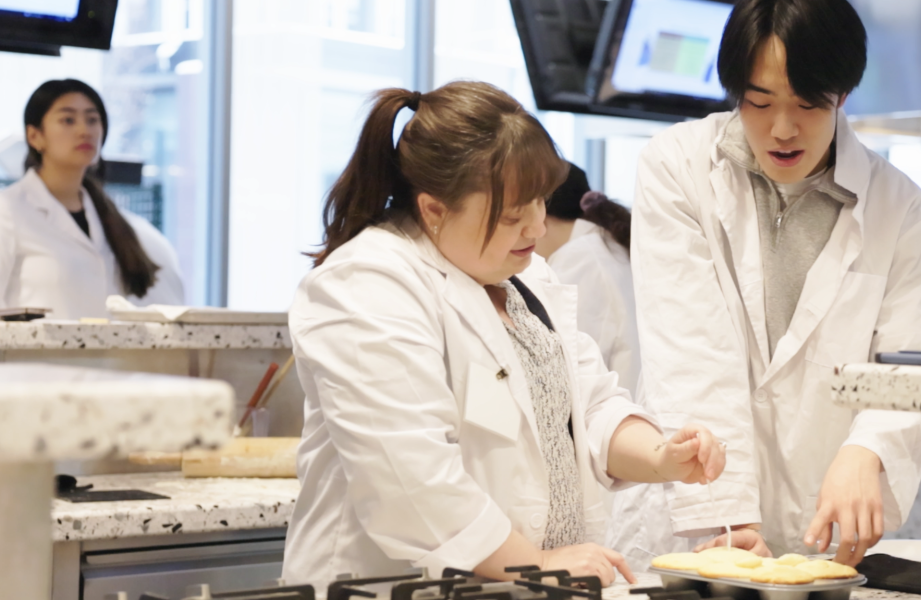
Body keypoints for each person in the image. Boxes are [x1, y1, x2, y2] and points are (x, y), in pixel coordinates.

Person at [281, 82, 727, 589]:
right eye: (513, 215)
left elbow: (589, 405)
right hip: (392, 586)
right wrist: (536, 565)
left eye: (539, 202)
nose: (537, 227)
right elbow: (411, 481)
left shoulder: (526, 277)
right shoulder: (366, 283)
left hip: (521, 584)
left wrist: (659, 454)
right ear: (433, 209)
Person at [607, 0, 921, 569]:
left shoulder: (901, 210)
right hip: (695, 525)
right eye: (759, 102)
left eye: (808, 105)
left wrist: (870, 447)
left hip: (816, 528)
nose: (783, 129)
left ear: (842, 95)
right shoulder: (678, 166)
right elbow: (691, 346)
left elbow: (917, 363)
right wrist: (728, 517)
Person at [0, 79, 184, 318]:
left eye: (92, 120)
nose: (84, 130)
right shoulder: (8, 211)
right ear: (35, 136)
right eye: (68, 120)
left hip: (104, 354)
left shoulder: (116, 221)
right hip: (32, 356)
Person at [535, 162, 640, 398]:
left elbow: (562, 363)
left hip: (609, 413)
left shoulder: (579, 258)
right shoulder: (604, 243)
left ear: (542, 213)